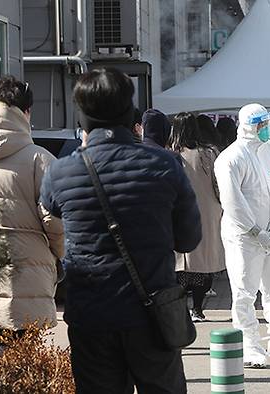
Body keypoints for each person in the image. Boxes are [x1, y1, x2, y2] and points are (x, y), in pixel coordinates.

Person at [39, 68, 201, 393]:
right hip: (152, 313)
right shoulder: (164, 165)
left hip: (91, 315)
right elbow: (189, 238)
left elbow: (52, 210)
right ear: (130, 111)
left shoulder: (61, 172)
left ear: (82, 115)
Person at [0, 76, 64, 360]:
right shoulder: (40, 159)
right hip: (27, 273)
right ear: (25, 112)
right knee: (22, 363)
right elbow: (55, 221)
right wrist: (57, 256)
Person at [214, 103, 270, 368]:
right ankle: (249, 344)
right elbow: (232, 200)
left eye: (267, 123)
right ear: (249, 125)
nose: (265, 129)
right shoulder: (231, 158)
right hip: (243, 236)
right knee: (244, 291)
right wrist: (253, 229)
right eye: (260, 124)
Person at [169, 112, 225, 322]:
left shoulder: (171, 154)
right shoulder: (209, 153)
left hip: (179, 212)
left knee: (181, 264)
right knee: (203, 261)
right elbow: (219, 186)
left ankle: (181, 309)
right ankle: (198, 309)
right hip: (208, 212)